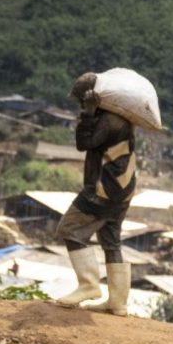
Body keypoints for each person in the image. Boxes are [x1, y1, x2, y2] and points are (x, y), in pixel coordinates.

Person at [53, 72, 137, 316]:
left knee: (70, 230)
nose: (81, 103)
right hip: (123, 188)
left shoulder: (109, 121)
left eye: (82, 99)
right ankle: (118, 302)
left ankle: (89, 285)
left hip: (103, 189)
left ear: (93, 97)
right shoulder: (122, 118)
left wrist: (88, 115)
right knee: (111, 241)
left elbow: (84, 143)